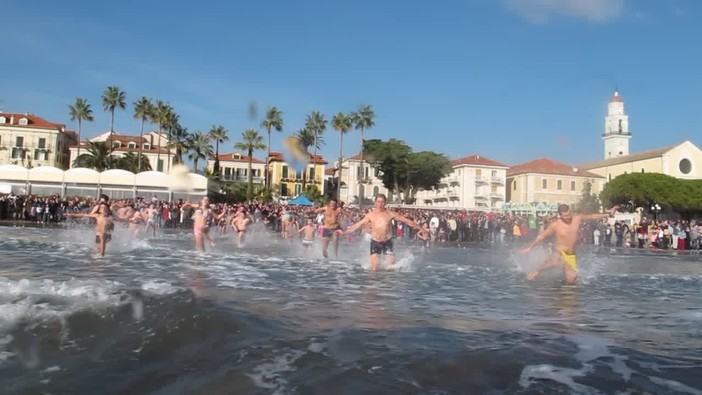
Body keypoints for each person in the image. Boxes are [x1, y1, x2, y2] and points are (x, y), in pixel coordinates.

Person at [519, 204, 618, 285]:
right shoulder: (555, 225)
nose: (568, 217)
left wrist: (608, 214)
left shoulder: (577, 218)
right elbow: (542, 236)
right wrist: (529, 248)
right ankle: (537, 271)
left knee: (572, 280)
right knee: (554, 263)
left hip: (571, 255)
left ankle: (566, 300)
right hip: (559, 251)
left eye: (569, 214)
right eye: (565, 216)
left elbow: (591, 216)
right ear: (560, 215)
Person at [338, 194, 428, 271]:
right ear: (375, 202)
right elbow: (357, 225)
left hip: (387, 242)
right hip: (375, 242)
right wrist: (345, 232)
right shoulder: (370, 215)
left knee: (390, 268)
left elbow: (407, 221)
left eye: (382, 202)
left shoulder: (390, 213)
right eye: (378, 201)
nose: (380, 204)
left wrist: (421, 229)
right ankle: (375, 287)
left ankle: (387, 288)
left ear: (385, 203)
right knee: (375, 269)